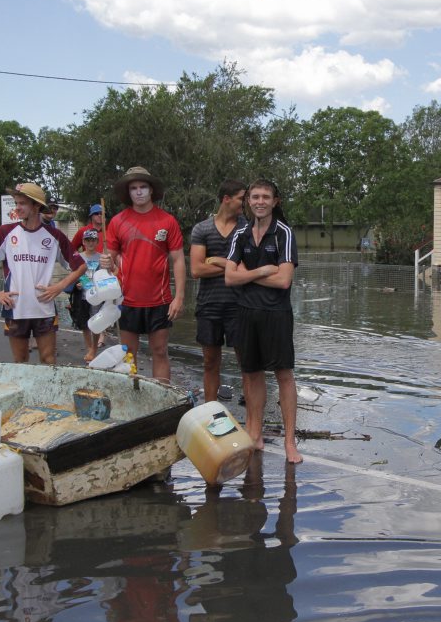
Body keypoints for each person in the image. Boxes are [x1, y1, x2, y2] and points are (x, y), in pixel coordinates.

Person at [224, 179, 302, 464]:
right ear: (248, 201)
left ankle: (290, 443)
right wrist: (263, 270)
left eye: (265, 197)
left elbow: (283, 281)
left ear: (275, 201)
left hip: (276, 314)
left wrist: (249, 272)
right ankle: (254, 434)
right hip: (246, 312)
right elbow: (229, 278)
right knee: (252, 374)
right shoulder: (240, 233)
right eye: (255, 196)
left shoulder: (284, 233)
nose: (259, 201)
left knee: (284, 375)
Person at [0, 182, 85, 364]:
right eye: (16, 203)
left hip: (44, 309)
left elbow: (80, 266)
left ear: (36, 206)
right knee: (21, 362)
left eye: (22, 203)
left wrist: (59, 286)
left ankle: (47, 394)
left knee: (48, 361)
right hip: (15, 309)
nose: (18, 207)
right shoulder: (5, 233)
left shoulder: (54, 236)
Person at [100, 166, 186, 383]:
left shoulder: (167, 221)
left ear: (151, 190)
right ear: (128, 192)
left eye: (143, 187)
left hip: (160, 300)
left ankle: (162, 399)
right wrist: (105, 262)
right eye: (134, 188)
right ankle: (134, 400)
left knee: (159, 351)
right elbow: (109, 261)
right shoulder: (118, 221)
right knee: (128, 354)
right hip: (127, 299)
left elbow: (178, 260)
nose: (138, 192)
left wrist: (179, 297)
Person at [190, 179, 248, 403]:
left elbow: (249, 268)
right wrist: (232, 266)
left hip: (241, 304)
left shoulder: (248, 228)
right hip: (209, 305)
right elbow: (196, 269)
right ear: (227, 199)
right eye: (242, 198)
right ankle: (210, 410)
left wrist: (218, 261)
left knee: (247, 361)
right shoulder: (202, 228)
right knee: (210, 362)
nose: (246, 203)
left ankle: (252, 414)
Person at [67, 228, 104, 362]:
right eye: (87, 240)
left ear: (97, 241)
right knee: (84, 324)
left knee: (96, 322)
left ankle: (94, 348)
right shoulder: (78, 257)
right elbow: (72, 274)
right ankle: (89, 347)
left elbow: (107, 274)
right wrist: (76, 283)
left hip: (97, 296)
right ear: (83, 242)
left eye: (93, 240)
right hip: (81, 296)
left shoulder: (102, 257)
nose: (90, 243)